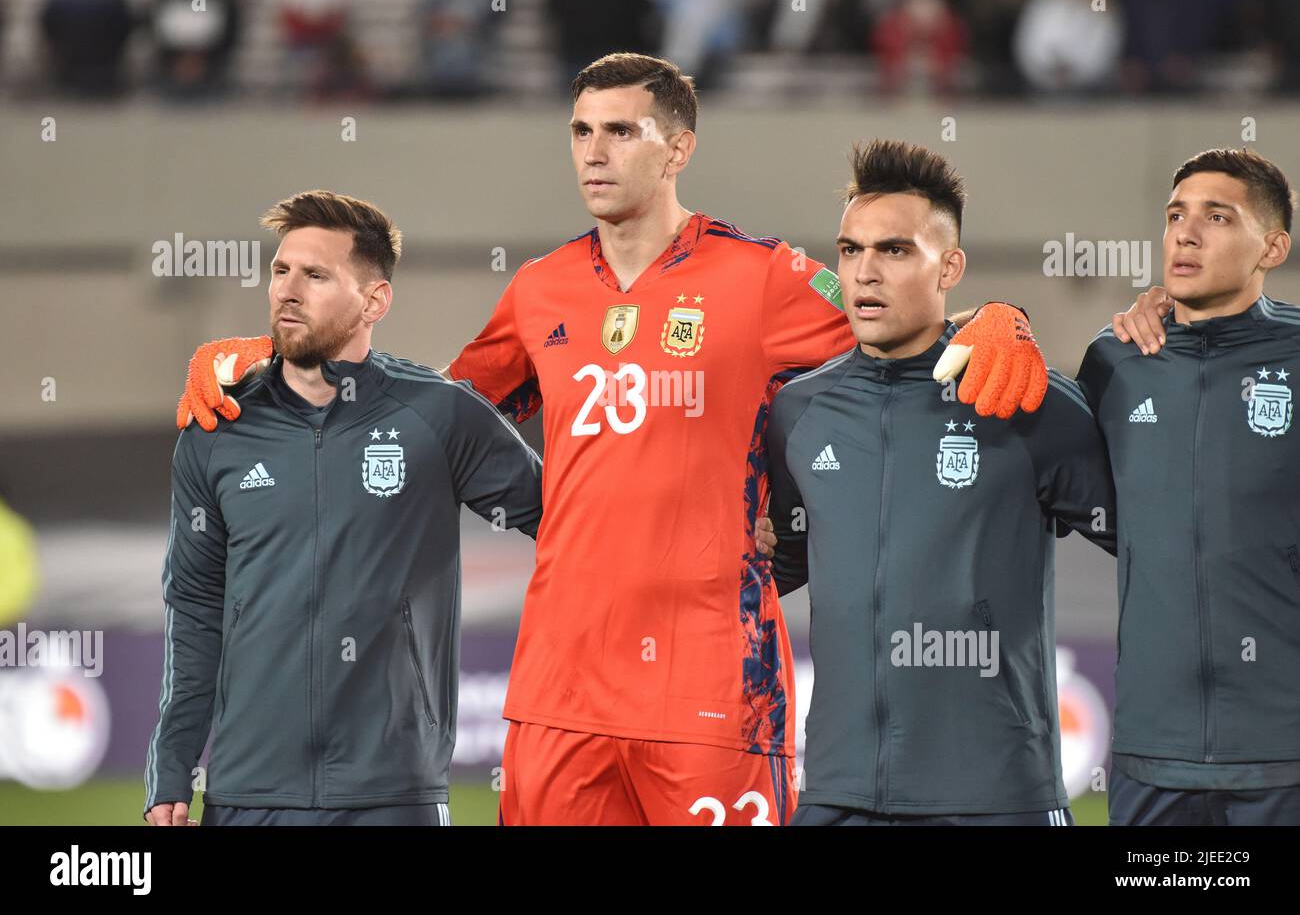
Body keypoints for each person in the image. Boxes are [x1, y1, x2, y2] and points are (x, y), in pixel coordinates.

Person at [169, 54, 1045, 825]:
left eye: (621, 131)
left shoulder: (764, 276)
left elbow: (903, 328)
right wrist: (279, 363)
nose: (593, 150)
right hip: (560, 695)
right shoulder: (540, 289)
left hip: (712, 688)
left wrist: (1000, 320)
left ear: (678, 147)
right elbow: (421, 411)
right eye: (581, 130)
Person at [144, 191, 542, 826]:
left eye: (316, 275)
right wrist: (171, 771)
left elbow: (570, 525)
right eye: (280, 271)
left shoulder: (440, 415)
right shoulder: (216, 427)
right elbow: (195, 610)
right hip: (249, 794)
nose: (287, 290)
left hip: (393, 794)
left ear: (374, 301)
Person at [768, 139, 1116, 825]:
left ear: (950, 266)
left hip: (997, 797)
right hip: (840, 794)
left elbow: (1158, 545)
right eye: (850, 249)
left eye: (894, 250)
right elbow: (777, 562)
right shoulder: (798, 412)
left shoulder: (1026, 400)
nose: (865, 271)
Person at [1084, 148, 1300, 824]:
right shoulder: (1114, 360)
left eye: (1217, 216)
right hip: (1152, 753)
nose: (1185, 231)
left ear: (1273, 246)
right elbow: (1075, 497)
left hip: (1282, 751)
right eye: (1175, 214)